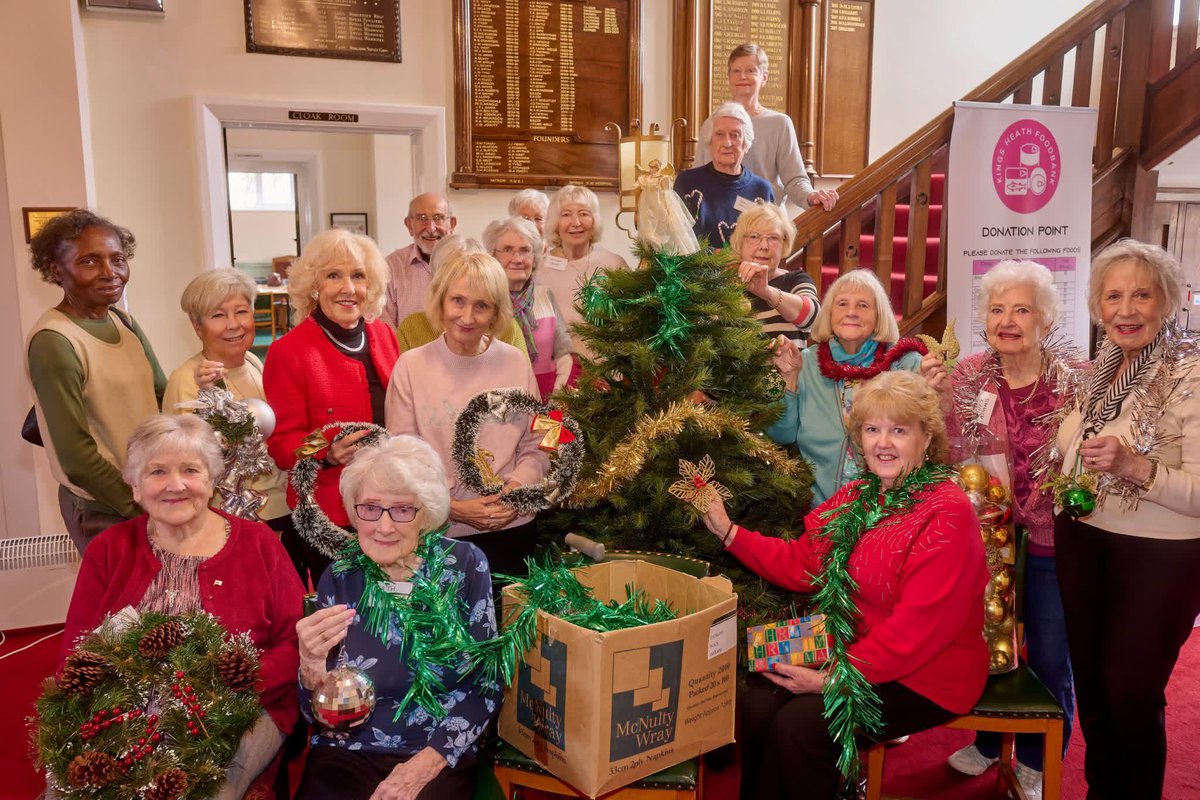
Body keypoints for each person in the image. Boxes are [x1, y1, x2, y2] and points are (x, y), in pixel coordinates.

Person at [703, 370, 988, 799]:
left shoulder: (947, 512)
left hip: (927, 674)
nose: (883, 443)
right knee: (759, 703)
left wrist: (832, 679)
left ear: (926, 438)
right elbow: (803, 563)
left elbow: (917, 631)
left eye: (898, 430)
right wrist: (730, 533)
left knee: (802, 727)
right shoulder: (860, 494)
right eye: (872, 429)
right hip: (851, 643)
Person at [59, 414, 303, 799]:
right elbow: (76, 651)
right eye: (157, 472)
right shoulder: (109, 550)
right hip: (124, 712)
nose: (176, 485)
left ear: (211, 479)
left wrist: (228, 685)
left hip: (240, 709)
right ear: (135, 486)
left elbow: (294, 643)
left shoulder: (259, 544)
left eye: (190, 469)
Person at [1053, 240, 1200, 799]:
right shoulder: (1101, 369)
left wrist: (1140, 468)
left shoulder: (1192, 373)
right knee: (1093, 687)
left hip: (1161, 556)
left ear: (1168, 302)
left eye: (1141, 294)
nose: (1126, 309)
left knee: (1131, 691)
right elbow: (1073, 446)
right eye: (1113, 296)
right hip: (1085, 541)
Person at [940, 260, 1085, 799]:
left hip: (1053, 533)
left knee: (1049, 648)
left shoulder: (1077, 379)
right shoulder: (969, 373)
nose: (1008, 320)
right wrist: (932, 394)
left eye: (1022, 309)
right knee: (987, 639)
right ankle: (986, 738)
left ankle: (1036, 755)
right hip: (987, 533)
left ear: (1045, 320)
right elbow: (947, 446)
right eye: (998, 309)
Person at [294, 434, 498, 800]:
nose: (384, 527)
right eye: (370, 508)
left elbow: (487, 685)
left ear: (427, 512)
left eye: (403, 509)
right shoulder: (340, 575)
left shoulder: (465, 565)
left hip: (435, 748)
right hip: (348, 749)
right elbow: (314, 715)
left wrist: (425, 765)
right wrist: (310, 666)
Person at [385, 250, 550, 579]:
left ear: (495, 312)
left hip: (513, 527)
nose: (467, 316)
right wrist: (453, 508)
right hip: (441, 533)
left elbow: (541, 440)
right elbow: (403, 457)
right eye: (458, 300)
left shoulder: (516, 361)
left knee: (510, 627)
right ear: (441, 301)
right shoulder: (411, 366)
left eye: (481, 305)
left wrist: (515, 492)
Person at [25, 209, 165, 553]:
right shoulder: (54, 341)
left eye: (117, 259)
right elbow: (76, 456)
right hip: (106, 508)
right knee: (125, 608)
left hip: (150, 496)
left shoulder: (123, 321)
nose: (110, 273)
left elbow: (162, 397)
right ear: (57, 270)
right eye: (89, 262)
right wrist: (140, 507)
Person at [264, 229, 399, 587]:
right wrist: (325, 452)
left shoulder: (384, 335)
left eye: (358, 276)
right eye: (333, 275)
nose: (348, 288)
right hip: (329, 513)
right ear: (314, 285)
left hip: (387, 504)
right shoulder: (288, 352)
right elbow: (281, 445)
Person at [768, 269, 940, 505]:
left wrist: (937, 391)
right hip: (824, 511)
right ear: (829, 313)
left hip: (897, 510)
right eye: (842, 304)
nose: (851, 312)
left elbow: (931, 438)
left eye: (862, 305)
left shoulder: (905, 362)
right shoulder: (806, 363)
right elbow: (781, 435)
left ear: (879, 316)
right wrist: (788, 379)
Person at [163, 268, 289, 528]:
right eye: (218, 315)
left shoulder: (253, 362)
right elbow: (189, 462)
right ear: (197, 327)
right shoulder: (187, 379)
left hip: (280, 507)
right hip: (234, 517)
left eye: (241, 311)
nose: (233, 324)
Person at [697, 43, 838, 213]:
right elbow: (699, 175)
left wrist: (811, 196)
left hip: (767, 223)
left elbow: (794, 180)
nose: (742, 76)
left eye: (751, 70)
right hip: (719, 221)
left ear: (764, 77)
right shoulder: (712, 124)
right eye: (736, 71)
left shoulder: (780, 124)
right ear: (729, 77)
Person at [539, 184, 632, 360]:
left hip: (609, 368)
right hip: (559, 370)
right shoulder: (540, 270)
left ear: (595, 220)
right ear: (555, 223)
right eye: (566, 214)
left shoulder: (614, 263)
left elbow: (631, 323)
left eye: (584, 213)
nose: (576, 222)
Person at [483, 216, 572, 400]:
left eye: (525, 250)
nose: (517, 259)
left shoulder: (544, 295)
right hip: (498, 404)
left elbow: (564, 354)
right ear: (492, 256)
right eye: (508, 250)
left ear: (535, 257)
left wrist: (557, 400)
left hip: (549, 401)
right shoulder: (483, 301)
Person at [394, 235, 529, 356]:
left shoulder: (508, 328)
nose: (467, 318)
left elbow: (521, 378)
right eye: (458, 299)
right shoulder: (411, 328)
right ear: (435, 281)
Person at [674, 102, 775, 247]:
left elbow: (770, 243)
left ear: (746, 145)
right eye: (719, 135)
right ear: (710, 142)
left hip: (748, 269)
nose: (727, 143)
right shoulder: (687, 183)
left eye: (735, 135)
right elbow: (677, 240)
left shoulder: (761, 190)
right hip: (697, 269)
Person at [729, 203, 819, 343]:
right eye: (754, 236)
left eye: (773, 238)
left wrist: (767, 292)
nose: (764, 246)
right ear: (739, 243)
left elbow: (814, 319)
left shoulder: (796, 279)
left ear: (784, 243)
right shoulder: (726, 283)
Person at [380, 192, 457, 328]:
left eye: (438, 218)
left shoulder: (470, 263)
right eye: (422, 218)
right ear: (409, 225)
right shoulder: (390, 268)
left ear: (451, 224)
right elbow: (386, 331)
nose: (431, 228)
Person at [634, 158, 700, 254]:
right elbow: (637, 184)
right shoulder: (647, 178)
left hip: (660, 201)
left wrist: (667, 205)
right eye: (651, 168)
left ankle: (671, 248)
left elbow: (666, 191)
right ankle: (655, 246)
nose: (652, 170)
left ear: (657, 168)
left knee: (667, 222)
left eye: (654, 168)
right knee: (650, 224)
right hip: (648, 204)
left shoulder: (662, 178)